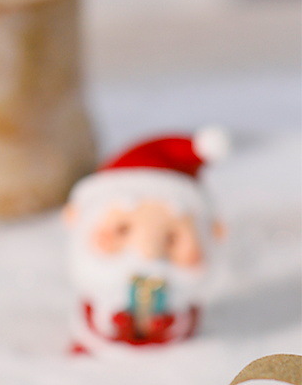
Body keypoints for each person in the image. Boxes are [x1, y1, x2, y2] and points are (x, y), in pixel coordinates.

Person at [64, 129, 226, 352]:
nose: (149, 253)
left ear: (214, 233)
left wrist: (165, 324)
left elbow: (186, 323)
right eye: (122, 230)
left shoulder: (183, 298)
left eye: (172, 238)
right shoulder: (98, 292)